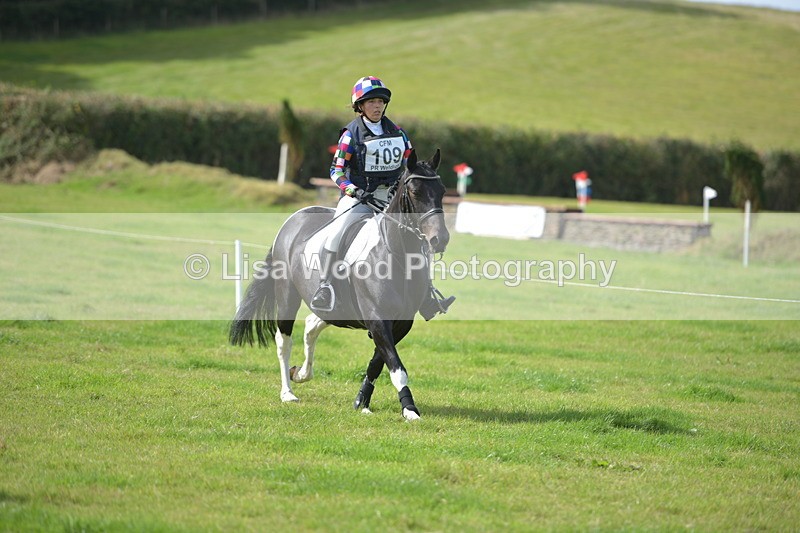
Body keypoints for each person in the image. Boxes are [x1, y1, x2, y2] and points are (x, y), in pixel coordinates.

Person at [310, 75, 455, 319]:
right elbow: (336, 171)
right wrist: (353, 190)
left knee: (417, 237)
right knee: (335, 234)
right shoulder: (350, 134)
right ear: (360, 106)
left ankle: (426, 295)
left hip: (390, 199)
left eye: (380, 101)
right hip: (358, 197)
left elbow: (411, 163)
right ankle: (326, 286)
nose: (377, 106)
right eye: (371, 102)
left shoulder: (398, 132)